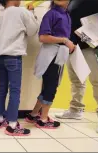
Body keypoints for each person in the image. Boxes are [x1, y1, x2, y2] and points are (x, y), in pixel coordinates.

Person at [0, 0, 39, 136]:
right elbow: (33, 30)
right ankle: (12, 125)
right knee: (15, 90)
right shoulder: (22, 11)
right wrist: (32, 13)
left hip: (0, 57)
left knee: (3, 88)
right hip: (14, 57)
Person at [25, 0, 75, 129]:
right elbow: (43, 37)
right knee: (51, 87)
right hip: (51, 55)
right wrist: (64, 40)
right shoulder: (52, 14)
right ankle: (43, 119)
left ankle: (33, 114)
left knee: (48, 86)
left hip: (58, 54)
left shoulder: (66, 14)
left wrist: (68, 43)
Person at [54, 0, 98, 134]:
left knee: (97, 81)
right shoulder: (72, 1)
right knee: (76, 79)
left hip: (92, 46)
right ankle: (76, 110)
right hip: (74, 46)